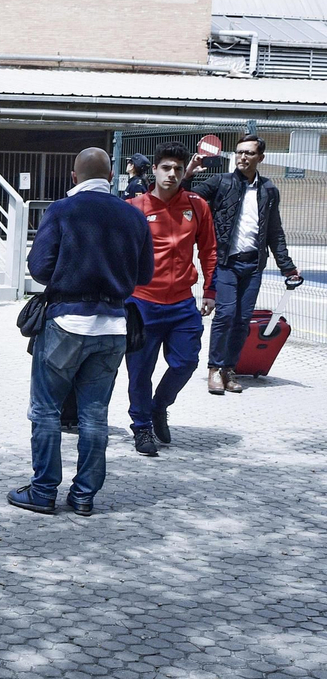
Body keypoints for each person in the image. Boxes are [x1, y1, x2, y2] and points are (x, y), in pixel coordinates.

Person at [10, 148, 153, 516]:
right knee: (95, 414)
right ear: (111, 178)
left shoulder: (61, 210)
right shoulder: (134, 216)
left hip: (66, 321)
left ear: (74, 177)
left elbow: (40, 268)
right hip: (113, 325)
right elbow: (144, 276)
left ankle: (43, 491)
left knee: (46, 410)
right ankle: (84, 495)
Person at [190, 134, 305, 395]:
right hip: (226, 263)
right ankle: (214, 369)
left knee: (242, 320)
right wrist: (187, 174)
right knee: (226, 315)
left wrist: (287, 266)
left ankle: (230, 369)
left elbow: (274, 231)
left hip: (253, 265)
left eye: (249, 153)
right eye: (239, 152)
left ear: (260, 158)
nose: (242, 157)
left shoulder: (268, 190)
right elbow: (188, 197)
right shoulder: (222, 182)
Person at [124, 142, 216, 456]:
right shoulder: (135, 207)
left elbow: (209, 250)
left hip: (181, 304)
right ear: (155, 169)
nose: (172, 173)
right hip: (142, 303)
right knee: (139, 371)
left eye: (178, 168)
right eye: (166, 167)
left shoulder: (197, 205)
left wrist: (210, 290)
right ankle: (141, 428)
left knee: (187, 361)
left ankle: (158, 406)